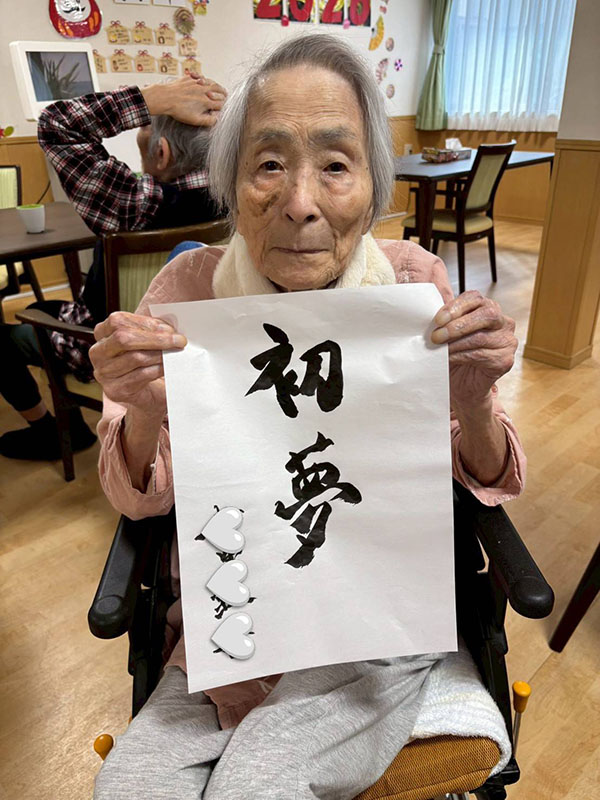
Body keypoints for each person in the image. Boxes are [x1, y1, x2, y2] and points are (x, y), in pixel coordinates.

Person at [90, 35, 525, 799]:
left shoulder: (412, 283)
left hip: (380, 630)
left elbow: (490, 477)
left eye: (335, 165)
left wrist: (472, 400)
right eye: (268, 164)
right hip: (234, 633)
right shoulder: (186, 292)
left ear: (372, 185)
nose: (300, 202)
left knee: (253, 787)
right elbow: (136, 499)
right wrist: (147, 416)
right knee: (126, 789)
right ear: (230, 182)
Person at [0, 74, 226, 462]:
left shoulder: (137, 205)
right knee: (45, 308)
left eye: (145, 131)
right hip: (189, 349)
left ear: (162, 154)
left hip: (107, 345)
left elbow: (57, 125)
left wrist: (151, 98)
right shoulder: (241, 199)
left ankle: (53, 430)